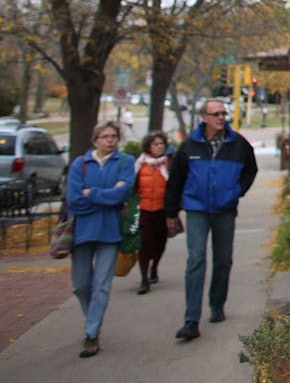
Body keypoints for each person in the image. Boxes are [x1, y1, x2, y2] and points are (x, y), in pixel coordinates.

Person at [164, 99, 258, 341]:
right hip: (197, 209)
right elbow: (175, 180)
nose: (221, 118)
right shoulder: (189, 146)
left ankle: (217, 305)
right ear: (203, 117)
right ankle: (191, 320)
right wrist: (171, 213)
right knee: (196, 260)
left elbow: (251, 169)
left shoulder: (238, 144)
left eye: (223, 113)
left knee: (223, 260)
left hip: (225, 210)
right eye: (215, 114)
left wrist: (237, 191)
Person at [66, 121, 134, 358]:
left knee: (102, 285)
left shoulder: (125, 163)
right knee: (81, 285)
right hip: (83, 232)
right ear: (95, 140)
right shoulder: (80, 165)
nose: (110, 140)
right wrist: (106, 198)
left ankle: (91, 333)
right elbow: (74, 200)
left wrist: (91, 193)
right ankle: (92, 319)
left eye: (113, 136)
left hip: (110, 232)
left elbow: (122, 194)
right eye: (105, 136)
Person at [134, 131, 171, 294]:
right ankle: (144, 278)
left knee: (160, 242)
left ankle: (155, 266)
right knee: (145, 243)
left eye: (162, 143)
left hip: (163, 210)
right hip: (144, 209)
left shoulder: (168, 163)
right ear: (149, 146)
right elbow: (133, 186)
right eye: (156, 144)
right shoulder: (140, 164)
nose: (159, 147)